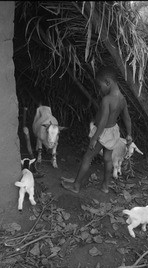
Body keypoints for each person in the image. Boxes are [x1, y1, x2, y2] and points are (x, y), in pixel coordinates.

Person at [61, 66, 132, 194]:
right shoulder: (122, 99)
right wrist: (129, 134)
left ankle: (76, 186)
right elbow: (126, 118)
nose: (100, 90)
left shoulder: (107, 100)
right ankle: (105, 186)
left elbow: (103, 122)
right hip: (114, 131)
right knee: (107, 158)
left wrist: (94, 139)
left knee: (87, 158)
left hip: (102, 133)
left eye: (100, 86)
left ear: (108, 82)